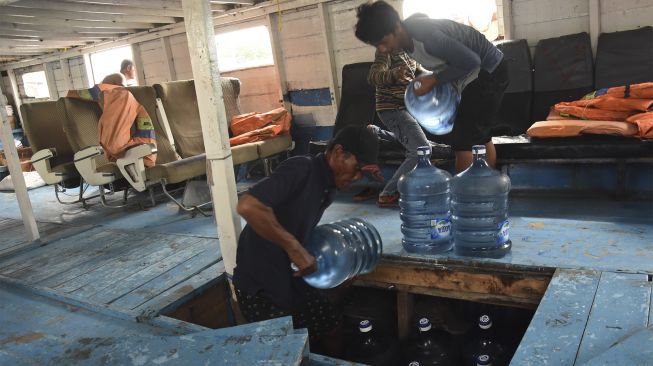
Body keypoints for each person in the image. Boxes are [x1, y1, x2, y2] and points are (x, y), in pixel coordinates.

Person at [233, 125, 380, 356]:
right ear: (339, 152)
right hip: (261, 286)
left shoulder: (328, 188)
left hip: (292, 278)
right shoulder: (302, 168)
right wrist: (294, 248)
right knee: (284, 355)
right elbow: (248, 205)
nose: (358, 177)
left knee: (331, 326)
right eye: (358, 168)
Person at [355, 1, 509, 172]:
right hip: (477, 75)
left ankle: (466, 194)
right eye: (377, 46)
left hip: (489, 70)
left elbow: (472, 61)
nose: (382, 49)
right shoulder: (405, 41)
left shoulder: (425, 35)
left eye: (384, 41)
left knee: (463, 139)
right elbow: (444, 63)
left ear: (396, 27)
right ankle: (485, 187)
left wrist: (434, 79)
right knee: (479, 135)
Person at [367, 49, 430, 207]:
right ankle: (387, 194)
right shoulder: (386, 51)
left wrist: (439, 75)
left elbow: (420, 73)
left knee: (415, 143)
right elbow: (373, 76)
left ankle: (376, 132)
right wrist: (393, 74)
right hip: (392, 109)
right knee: (421, 149)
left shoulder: (410, 53)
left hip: (404, 108)